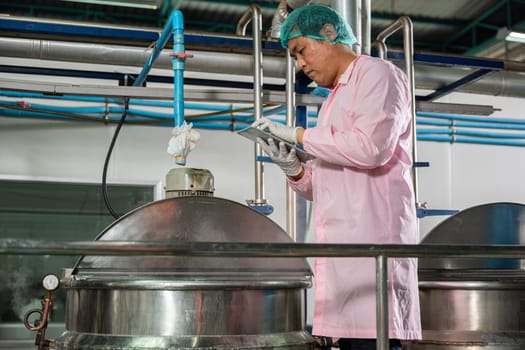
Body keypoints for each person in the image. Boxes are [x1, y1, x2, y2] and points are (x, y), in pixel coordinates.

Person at [251, 4, 421, 350]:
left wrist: (298, 135)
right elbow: (328, 184)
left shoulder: (378, 74)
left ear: (328, 34)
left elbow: (371, 148)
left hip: (373, 269)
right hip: (343, 276)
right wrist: (294, 168)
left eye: (301, 51)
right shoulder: (331, 101)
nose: (300, 64)